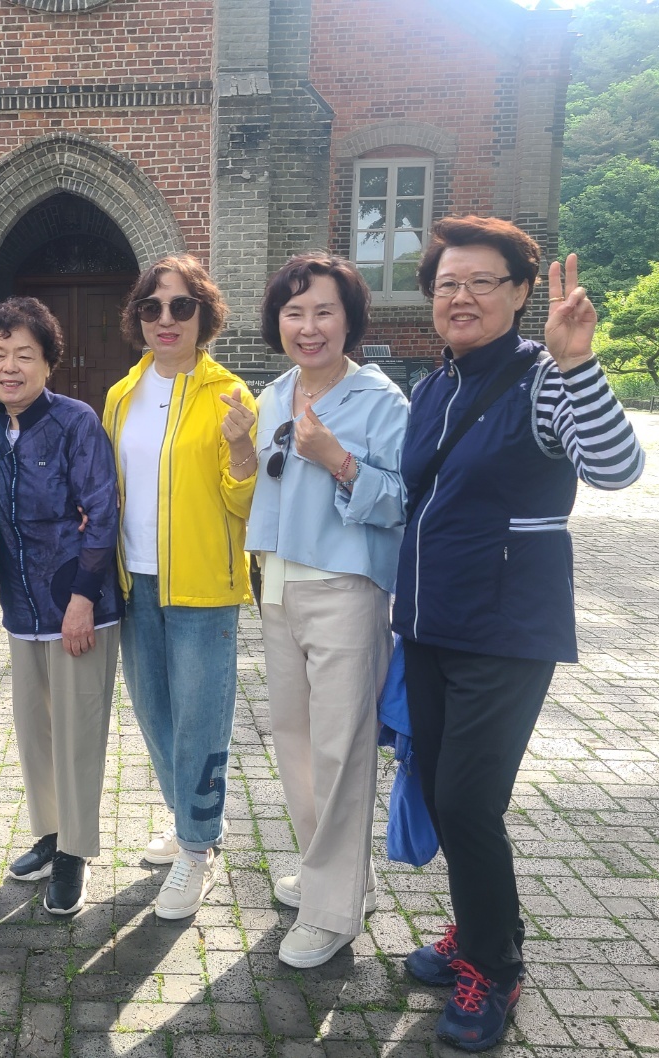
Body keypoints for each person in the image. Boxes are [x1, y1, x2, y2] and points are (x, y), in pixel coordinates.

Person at [395, 216, 644, 1051]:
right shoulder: (433, 386)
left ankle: (494, 969)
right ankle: (476, 931)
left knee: (467, 802)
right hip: (427, 625)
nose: (460, 297)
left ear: (521, 292)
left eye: (481, 282)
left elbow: (614, 469)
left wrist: (578, 364)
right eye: (446, 284)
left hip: (504, 632)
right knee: (441, 790)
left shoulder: (542, 381)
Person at [245, 253, 409, 967]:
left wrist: (339, 460)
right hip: (278, 585)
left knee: (342, 750)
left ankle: (332, 912)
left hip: (345, 586)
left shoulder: (381, 401)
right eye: (294, 312)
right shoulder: (272, 394)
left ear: (349, 320)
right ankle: (335, 878)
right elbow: (263, 484)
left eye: (323, 312)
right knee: (295, 740)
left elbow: (403, 499)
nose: (308, 327)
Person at [102, 253, 258, 920]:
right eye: (152, 307)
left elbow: (244, 502)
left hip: (202, 586)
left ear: (204, 315)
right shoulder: (121, 394)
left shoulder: (230, 394)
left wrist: (243, 449)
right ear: (138, 317)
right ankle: (190, 820)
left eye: (180, 306)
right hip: (134, 579)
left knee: (200, 720)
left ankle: (197, 848)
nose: (165, 319)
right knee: (154, 714)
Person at [0, 297, 122, 916]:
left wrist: (83, 598)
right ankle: (50, 834)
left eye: (24, 355)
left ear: (48, 363)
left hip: (77, 604)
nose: (10, 367)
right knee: (35, 731)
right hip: (20, 604)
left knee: (78, 733)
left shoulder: (75, 422)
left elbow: (103, 512)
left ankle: (75, 852)